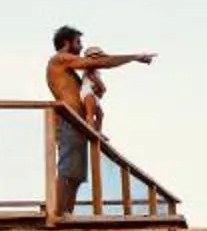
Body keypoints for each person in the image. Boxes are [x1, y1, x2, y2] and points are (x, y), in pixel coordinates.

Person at [46, 26, 153, 215]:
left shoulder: (73, 73)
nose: (81, 47)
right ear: (65, 43)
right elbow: (103, 62)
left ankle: (67, 213)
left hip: (78, 125)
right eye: (78, 42)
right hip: (68, 121)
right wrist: (134, 57)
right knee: (66, 171)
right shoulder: (59, 59)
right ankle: (56, 213)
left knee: (76, 175)